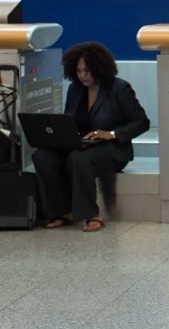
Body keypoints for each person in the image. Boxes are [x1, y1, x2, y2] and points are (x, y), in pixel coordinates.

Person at [33, 42, 150, 232]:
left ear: (99, 68)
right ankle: (62, 211)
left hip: (113, 149)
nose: (82, 75)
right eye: (78, 71)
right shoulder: (75, 89)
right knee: (42, 156)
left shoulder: (119, 88)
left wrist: (111, 134)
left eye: (86, 71)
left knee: (78, 158)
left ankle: (91, 214)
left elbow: (141, 122)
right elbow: (69, 120)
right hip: (82, 144)